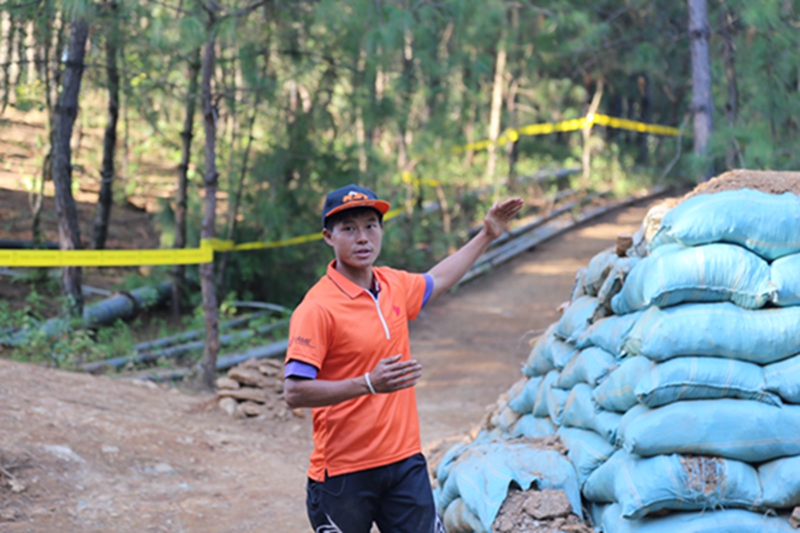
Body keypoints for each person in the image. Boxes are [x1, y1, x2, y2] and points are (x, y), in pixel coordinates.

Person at [283, 184, 524, 533]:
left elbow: (438, 278)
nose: (362, 237)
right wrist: (367, 383)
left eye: (370, 225)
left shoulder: (392, 284)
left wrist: (486, 234)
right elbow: (294, 392)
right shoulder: (317, 308)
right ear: (328, 237)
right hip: (343, 473)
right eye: (348, 228)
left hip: (404, 463)